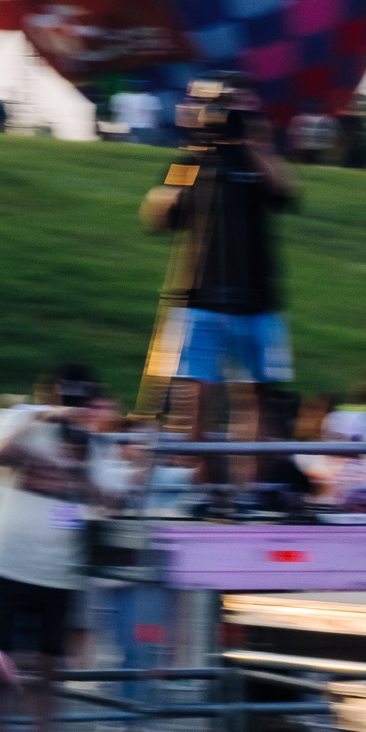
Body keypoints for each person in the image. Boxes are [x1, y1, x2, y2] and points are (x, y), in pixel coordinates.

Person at [139, 75, 298, 487]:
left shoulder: (258, 155)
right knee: (195, 399)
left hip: (258, 300)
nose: (231, 115)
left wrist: (254, 141)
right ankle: (205, 488)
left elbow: (286, 191)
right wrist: (193, 146)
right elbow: (157, 217)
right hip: (198, 297)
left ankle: (249, 489)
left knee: (258, 397)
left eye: (240, 106)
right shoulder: (192, 158)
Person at [0, 395, 91, 732]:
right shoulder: (10, 420)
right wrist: (38, 418)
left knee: (51, 660)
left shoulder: (86, 437)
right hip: (6, 564)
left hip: (58, 569)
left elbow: (103, 493)